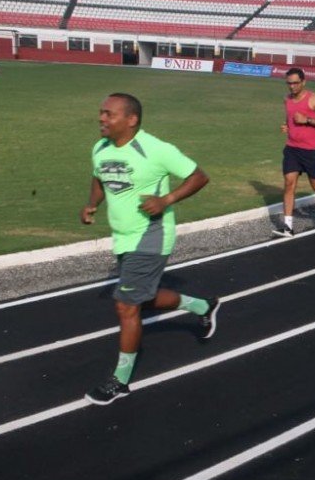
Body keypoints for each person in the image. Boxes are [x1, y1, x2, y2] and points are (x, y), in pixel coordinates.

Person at [81, 93, 219, 405]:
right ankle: (202, 306)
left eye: (109, 114)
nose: (102, 118)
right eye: (101, 112)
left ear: (131, 120)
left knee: (126, 305)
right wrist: (91, 205)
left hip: (152, 234)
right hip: (124, 236)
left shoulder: (156, 149)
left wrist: (166, 200)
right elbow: (99, 179)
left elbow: (199, 176)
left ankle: (121, 380)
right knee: (140, 297)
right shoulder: (100, 148)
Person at [274, 68, 315, 237]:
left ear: (303, 82)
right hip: (292, 148)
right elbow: (289, 118)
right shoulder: (286, 99)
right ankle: (288, 227)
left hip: (311, 150)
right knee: (289, 183)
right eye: (289, 83)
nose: (292, 87)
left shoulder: (314, 99)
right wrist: (287, 126)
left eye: (295, 83)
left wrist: (307, 120)